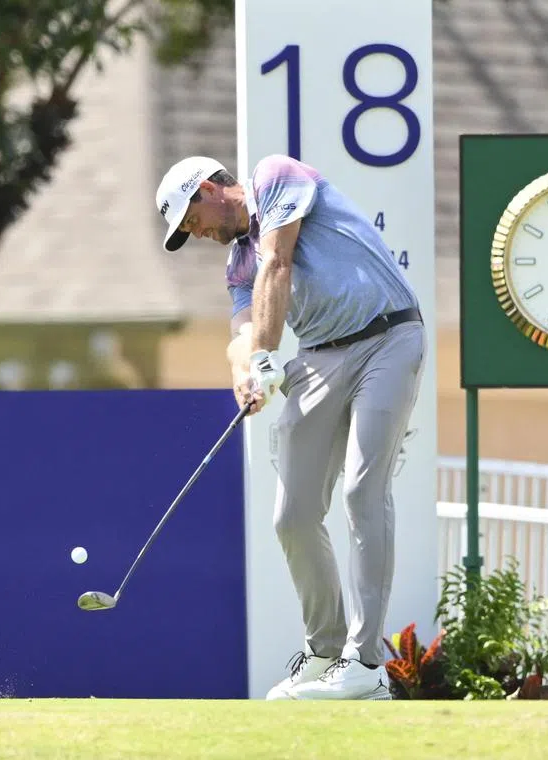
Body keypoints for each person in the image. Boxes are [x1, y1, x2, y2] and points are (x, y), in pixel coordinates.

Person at [153, 154, 427, 701]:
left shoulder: (275, 177)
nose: (197, 233)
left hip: (389, 337)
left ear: (210, 187)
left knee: (362, 490)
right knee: (293, 515)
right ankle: (324, 651)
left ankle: (366, 664)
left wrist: (265, 354)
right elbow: (242, 328)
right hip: (322, 359)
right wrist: (245, 372)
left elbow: (277, 261)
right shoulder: (235, 263)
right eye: (187, 229)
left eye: (191, 219)